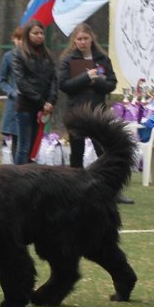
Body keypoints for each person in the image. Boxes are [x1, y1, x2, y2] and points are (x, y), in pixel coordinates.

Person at [58, 23, 135, 205]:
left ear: (92, 38)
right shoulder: (68, 59)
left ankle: (113, 191)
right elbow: (64, 85)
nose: (82, 42)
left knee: (105, 150)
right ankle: (74, 190)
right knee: (77, 151)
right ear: (74, 40)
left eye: (85, 38)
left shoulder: (102, 59)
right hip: (77, 111)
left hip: (98, 112)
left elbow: (111, 84)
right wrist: (86, 77)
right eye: (79, 39)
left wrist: (96, 81)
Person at [12, 19, 57, 165]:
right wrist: (42, 102)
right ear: (27, 35)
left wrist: (51, 101)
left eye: (41, 33)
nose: (39, 36)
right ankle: (18, 179)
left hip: (42, 108)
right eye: (35, 33)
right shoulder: (19, 54)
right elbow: (21, 82)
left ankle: (30, 179)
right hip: (25, 106)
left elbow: (53, 80)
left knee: (34, 147)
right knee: (24, 147)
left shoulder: (47, 55)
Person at [0, 27, 23, 159]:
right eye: (18, 39)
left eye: (23, 39)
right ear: (13, 39)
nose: (20, 42)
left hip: (31, 103)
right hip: (14, 104)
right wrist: (12, 92)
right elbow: (1, 81)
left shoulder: (34, 56)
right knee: (16, 140)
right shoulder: (8, 57)